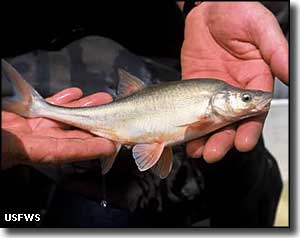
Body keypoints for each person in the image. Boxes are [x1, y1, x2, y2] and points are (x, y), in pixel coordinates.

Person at [1, 1, 288, 227]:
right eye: (245, 98)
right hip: (57, 176)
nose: (254, 101)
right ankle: (37, 107)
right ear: (217, 101)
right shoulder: (206, 110)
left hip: (161, 64)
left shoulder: (214, 95)